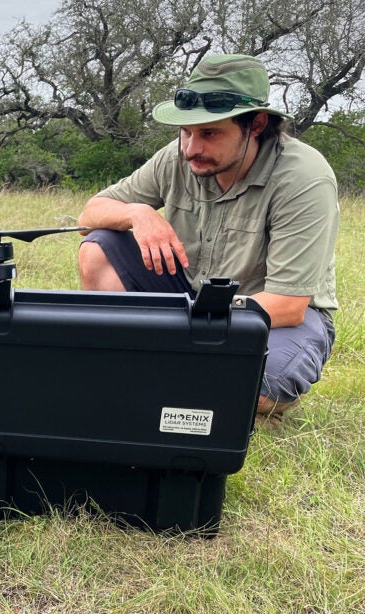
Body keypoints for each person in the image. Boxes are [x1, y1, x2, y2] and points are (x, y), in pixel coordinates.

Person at [77, 54, 339, 418]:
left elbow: (288, 303)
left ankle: (175, 365)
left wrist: (188, 327)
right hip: (190, 292)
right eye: (186, 131)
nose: (191, 148)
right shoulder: (179, 157)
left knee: (252, 389)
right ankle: (133, 360)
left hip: (275, 314)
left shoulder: (303, 178)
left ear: (257, 124)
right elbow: (90, 214)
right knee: (99, 247)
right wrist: (136, 213)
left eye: (210, 132)